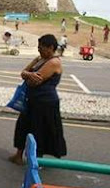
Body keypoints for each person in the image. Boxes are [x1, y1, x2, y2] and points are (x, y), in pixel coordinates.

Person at [9, 34, 67, 165]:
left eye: (41, 47)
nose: (39, 50)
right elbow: (23, 73)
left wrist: (27, 75)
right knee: (23, 126)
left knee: (39, 131)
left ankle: (35, 160)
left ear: (51, 48)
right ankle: (18, 155)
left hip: (45, 102)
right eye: (38, 47)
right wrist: (28, 74)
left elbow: (34, 82)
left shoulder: (54, 62)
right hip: (32, 100)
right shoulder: (39, 59)